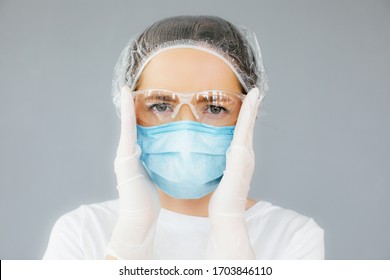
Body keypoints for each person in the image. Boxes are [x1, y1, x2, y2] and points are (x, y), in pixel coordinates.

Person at [43, 15, 324, 259]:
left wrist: (231, 238)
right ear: (129, 109)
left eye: (215, 107)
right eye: (160, 105)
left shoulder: (292, 237)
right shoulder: (81, 232)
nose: (186, 129)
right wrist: (129, 241)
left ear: (246, 114)